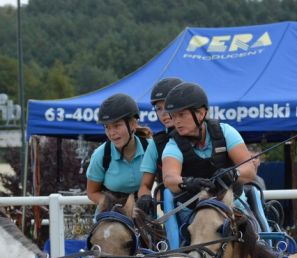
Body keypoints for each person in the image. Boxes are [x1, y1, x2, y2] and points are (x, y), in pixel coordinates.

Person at [160, 81, 257, 229]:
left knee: (254, 231)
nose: (176, 121)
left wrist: (233, 173)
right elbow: (169, 179)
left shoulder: (226, 132)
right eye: (173, 116)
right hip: (194, 208)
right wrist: (189, 182)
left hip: (232, 203)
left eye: (182, 115)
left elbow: (250, 170)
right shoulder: (173, 145)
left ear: (201, 113)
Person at [85, 93, 154, 210]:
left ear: (133, 124)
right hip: (111, 214)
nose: (111, 133)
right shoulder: (100, 155)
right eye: (107, 127)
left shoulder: (151, 148)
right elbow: (92, 192)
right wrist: (112, 206)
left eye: (117, 125)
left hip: (144, 212)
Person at [135, 76, 184, 218]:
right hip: (172, 211)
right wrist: (145, 196)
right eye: (158, 108)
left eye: (168, 106)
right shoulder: (156, 144)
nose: (163, 113)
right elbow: (145, 186)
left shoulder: (207, 134)